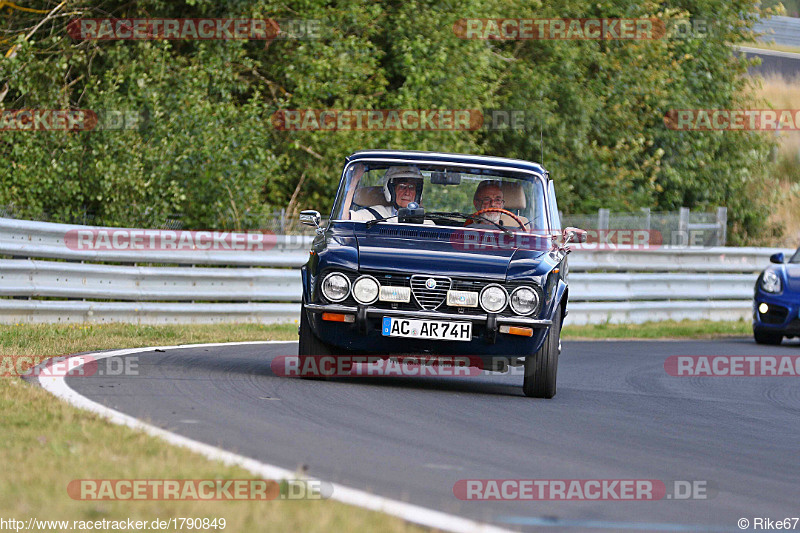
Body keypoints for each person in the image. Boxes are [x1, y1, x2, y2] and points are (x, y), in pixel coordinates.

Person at [350, 166, 424, 222]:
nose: (407, 193)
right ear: (391, 190)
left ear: (418, 192)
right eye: (402, 186)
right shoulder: (374, 215)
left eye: (411, 187)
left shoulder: (427, 222)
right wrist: (354, 180)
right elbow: (345, 219)